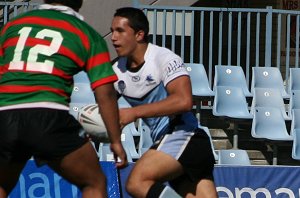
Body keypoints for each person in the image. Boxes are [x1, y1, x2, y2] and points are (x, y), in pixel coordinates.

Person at [0, 0, 127, 197]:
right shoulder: (86, 34)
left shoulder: (13, 25)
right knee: (94, 182)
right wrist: (116, 140)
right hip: (47, 116)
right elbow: (105, 93)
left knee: (2, 184)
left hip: (4, 115)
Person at [111, 7, 218, 198]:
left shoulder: (164, 59)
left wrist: (135, 113)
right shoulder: (116, 70)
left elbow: (184, 101)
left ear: (139, 34)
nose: (113, 37)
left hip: (185, 136)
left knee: (137, 183)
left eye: (120, 31)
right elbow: (104, 109)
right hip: (171, 147)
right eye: (112, 31)